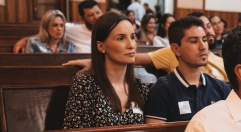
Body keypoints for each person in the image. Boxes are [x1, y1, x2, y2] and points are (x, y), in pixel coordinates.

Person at [63, 11, 229, 81]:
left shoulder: (221, 60)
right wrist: (95, 62)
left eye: (208, 27)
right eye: (194, 39)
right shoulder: (173, 54)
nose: (208, 33)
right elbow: (135, 58)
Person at [63, 12, 149, 129]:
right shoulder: (85, 84)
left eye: (132, 37)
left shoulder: (140, 88)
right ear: (101, 46)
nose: (131, 45)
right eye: (121, 38)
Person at [144, 16, 230, 123]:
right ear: (176, 49)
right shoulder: (162, 90)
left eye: (204, 40)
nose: (203, 46)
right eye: (194, 41)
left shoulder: (221, 88)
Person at [14, 0, 102, 53]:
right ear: (82, 19)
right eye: (90, 15)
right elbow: (50, 29)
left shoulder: (109, 29)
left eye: (98, 13)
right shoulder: (72, 30)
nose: (96, 17)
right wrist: (24, 39)